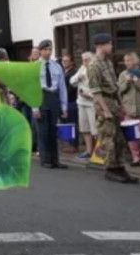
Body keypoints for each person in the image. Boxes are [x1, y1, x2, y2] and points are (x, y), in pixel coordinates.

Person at [87, 33, 137, 184]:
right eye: (109, 44)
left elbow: (114, 86)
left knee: (118, 138)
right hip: (104, 103)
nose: (111, 46)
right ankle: (111, 169)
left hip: (113, 101)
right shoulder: (93, 65)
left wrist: (121, 104)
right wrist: (105, 110)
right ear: (100, 46)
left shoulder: (107, 62)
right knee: (108, 138)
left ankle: (119, 166)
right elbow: (96, 91)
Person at [34, 40, 68, 169]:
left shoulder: (56, 66)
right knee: (43, 130)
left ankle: (55, 160)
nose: (48, 52)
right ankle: (45, 159)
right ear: (41, 51)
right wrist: (35, 107)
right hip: (41, 97)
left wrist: (63, 106)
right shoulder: (35, 66)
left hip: (53, 97)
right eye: (46, 50)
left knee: (53, 130)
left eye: (50, 49)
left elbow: (62, 87)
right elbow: (33, 88)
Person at [71, 52, 98, 159]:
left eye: (87, 59)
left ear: (93, 59)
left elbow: (100, 89)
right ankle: (88, 150)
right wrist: (78, 78)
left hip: (92, 103)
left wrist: (89, 95)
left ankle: (98, 151)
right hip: (81, 102)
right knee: (84, 128)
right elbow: (71, 81)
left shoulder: (96, 69)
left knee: (95, 129)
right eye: (83, 60)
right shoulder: (82, 68)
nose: (84, 62)